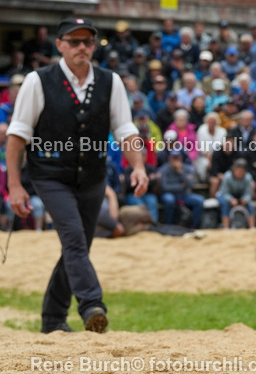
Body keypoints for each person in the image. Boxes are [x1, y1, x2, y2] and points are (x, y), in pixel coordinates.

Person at [5, 17, 149, 334]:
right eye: (74, 41)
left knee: (78, 246)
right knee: (74, 239)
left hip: (93, 176)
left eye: (87, 41)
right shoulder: (36, 81)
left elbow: (126, 130)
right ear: (60, 46)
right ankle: (92, 305)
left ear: (94, 46)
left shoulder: (111, 82)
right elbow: (17, 138)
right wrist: (14, 186)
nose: (81, 47)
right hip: (50, 175)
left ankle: (53, 319)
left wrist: (138, 166)